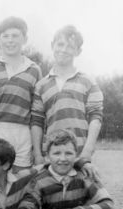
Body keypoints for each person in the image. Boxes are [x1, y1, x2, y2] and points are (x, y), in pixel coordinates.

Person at [31, 25, 103, 166]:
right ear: (53, 45)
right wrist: (38, 155)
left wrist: (87, 152)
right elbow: (36, 122)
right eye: (60, 44)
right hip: (52, 155)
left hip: (79, 154)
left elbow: (95, 117)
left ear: (78, 51)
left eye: (70, 46)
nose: (63, 50)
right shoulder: (41, 85)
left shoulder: (88, 81)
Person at [0, 16, 42, 172]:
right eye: (5, 36)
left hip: (23, 133)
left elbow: (38, 113)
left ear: (24, 39)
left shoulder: (34, 70)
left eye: (15, 36)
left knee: (21, 182)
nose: (10, 40)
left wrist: (36, 147)